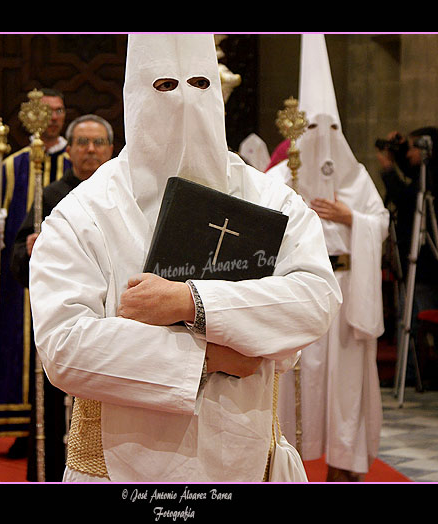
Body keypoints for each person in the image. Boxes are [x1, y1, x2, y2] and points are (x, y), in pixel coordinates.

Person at [28, 34, 341, 483]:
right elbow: (64, 347)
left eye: (199, 83)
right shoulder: (83, 213)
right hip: (124, 468)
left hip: (244, 457)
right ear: (134, 93)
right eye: (163, 87)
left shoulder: (272, 199)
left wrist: (190, 303)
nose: (183, 102)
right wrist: (208, 357)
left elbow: (315, 299)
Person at [266, 34, 389, 482]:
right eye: (314, 129)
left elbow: (380, 221)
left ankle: (344, 466)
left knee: (346, 385)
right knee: (300, 380)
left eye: (331, 129)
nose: (324, 139)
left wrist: (350, 216)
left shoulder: (355, 177)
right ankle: (286, 464)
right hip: (301, 287)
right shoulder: (281, 175)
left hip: (348, 290)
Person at [10, 114, 115, 481]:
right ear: (68, 151)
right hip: (68, 323)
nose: (91, 150)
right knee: (54, 414)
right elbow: (17, 261)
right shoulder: (52, 197)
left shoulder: (125, 197)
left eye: (98, 142)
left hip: (113, 324)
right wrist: (30, 250)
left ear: (112, 149)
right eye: (83, 143)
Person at [0, 88, 71, 457]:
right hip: (20, 283)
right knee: (18, 345)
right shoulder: (12, 165)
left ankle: (59, 427)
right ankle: (21, 429)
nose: (54, 117)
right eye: (46, 111)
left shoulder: (78, 163)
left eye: (60, 111)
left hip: (63, 278)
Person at [377, 125, 438, 385]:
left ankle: (418, 373)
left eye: (412, 147)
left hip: (426, 258)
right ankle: (411, 372)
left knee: (415, 317)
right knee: (407, 316)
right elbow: (412, 173)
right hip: (413, 254)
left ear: (426, 149)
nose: (407, 153)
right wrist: (400, 148)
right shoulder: (430, 170)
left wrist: (389, 171)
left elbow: (407, 196)